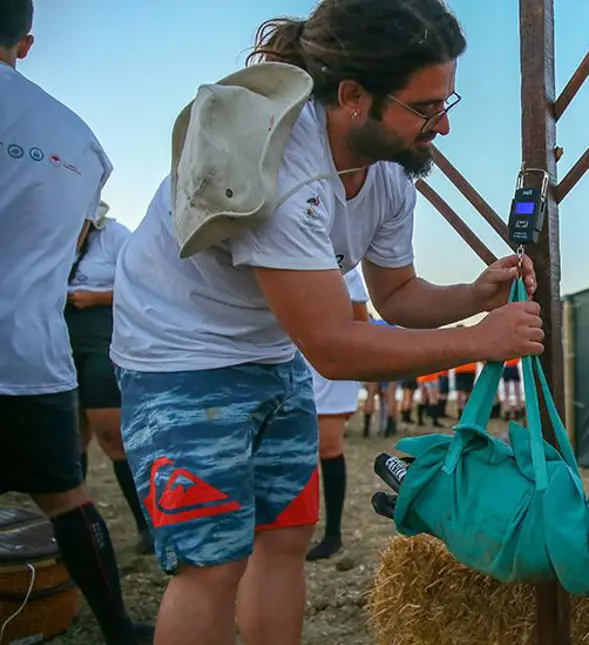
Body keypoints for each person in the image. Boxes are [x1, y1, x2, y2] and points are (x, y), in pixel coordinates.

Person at [109, 2, 543, 644]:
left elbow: (395, 294)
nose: (442, 127)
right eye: (425, 108)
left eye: (446, 103)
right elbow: (334, 349)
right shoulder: (280, 167)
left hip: (271, 352)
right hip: (180, 357)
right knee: (211, 562)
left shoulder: (390, 169)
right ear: (352, 97)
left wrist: (473, 295)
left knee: (285, 537)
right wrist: (481, 340)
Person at [0, 2, 152, 643]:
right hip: (32, 348)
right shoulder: (79, 140)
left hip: (65, 339)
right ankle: (115, 626)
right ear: (27, 43)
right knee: (65, 493)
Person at [66, 203, 152, 554]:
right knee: (70, 441)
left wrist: (96, 297)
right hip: (59, 342)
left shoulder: (115, 236)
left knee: (112, 435)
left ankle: (146, 524)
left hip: (103, 339)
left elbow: (144, 285)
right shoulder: (55, 233)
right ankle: (75, 527)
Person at [302, 267, 370, 561]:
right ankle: (295, 529)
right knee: (294, 449)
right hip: (292, 357)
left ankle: (333, 535)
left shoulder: (347, 269)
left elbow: (362, 324)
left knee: (328, 447)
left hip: (331, 367)